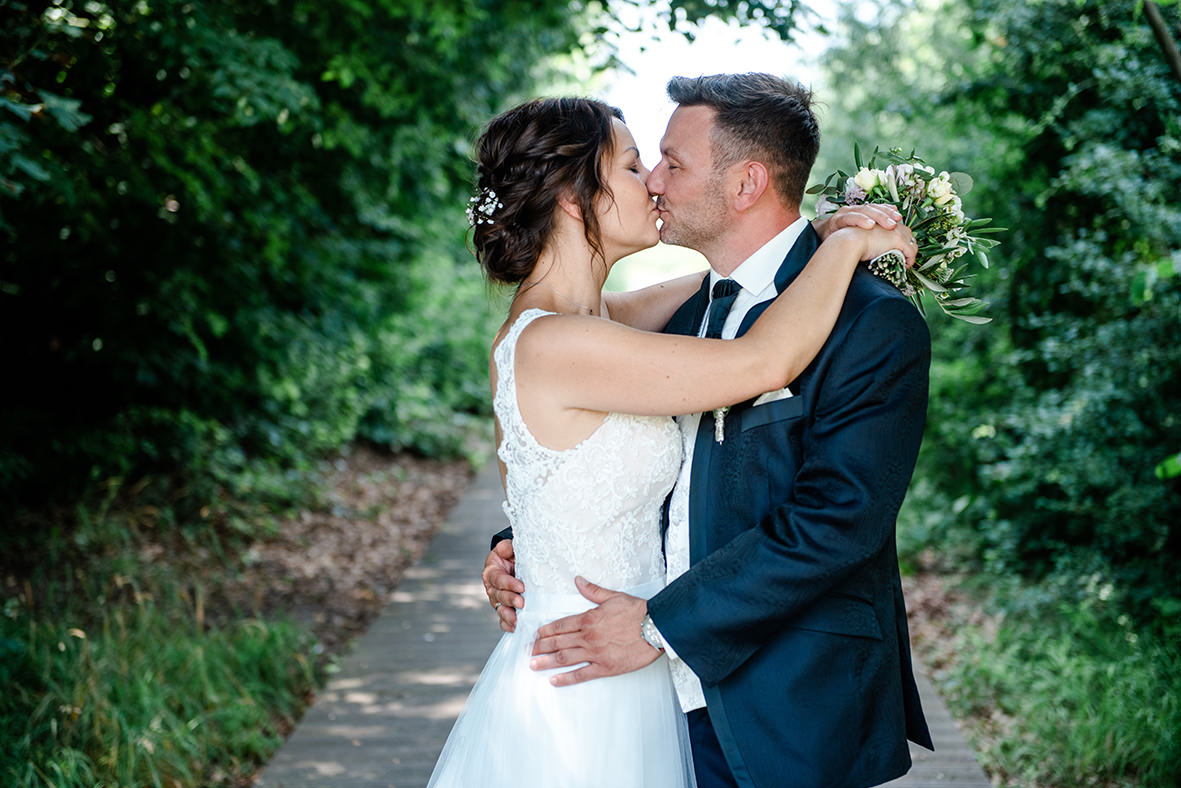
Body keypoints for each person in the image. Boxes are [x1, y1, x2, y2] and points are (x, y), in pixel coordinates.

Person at [428, 92, 916, 788]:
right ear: (575, 197)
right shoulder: (561, 341)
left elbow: (736, 288)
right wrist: (841, 244)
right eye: (633, 165)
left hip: (682, 677)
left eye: (662, 162)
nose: (651, 181)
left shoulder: (613, 318)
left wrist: (811, 238)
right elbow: (761, 362)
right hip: (587, 675)